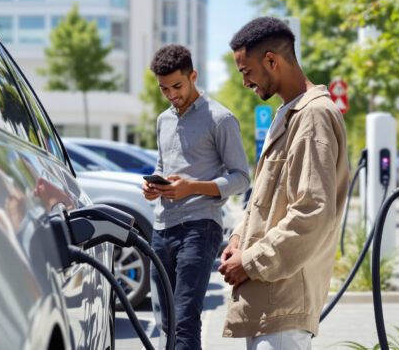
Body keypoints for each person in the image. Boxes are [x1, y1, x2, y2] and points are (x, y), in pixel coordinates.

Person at [217, 17, 349, 349]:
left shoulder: (313, 116)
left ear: (272, 61)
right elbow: (263, 199)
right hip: (271, 301)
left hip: (284, 303)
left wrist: (248, 262)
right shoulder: (289, 115)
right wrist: (237, 238)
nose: (245, 82)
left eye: (246, 71)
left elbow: (311, 213)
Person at [143, 44, 251, 350]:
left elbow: (241, 178)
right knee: (166, 322)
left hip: (199, 228)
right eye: (164, 89)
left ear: (193, 76)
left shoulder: (221, 119)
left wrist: (192, 187)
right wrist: (153, 187)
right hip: (162, 229)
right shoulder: (164, 120)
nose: (171, 94)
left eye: (177, 86)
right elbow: (162, 167)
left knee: (185, 320)